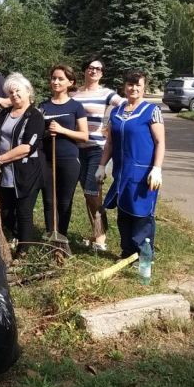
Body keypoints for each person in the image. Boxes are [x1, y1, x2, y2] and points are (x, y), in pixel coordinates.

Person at [97, 69, 165, 259]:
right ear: (124, 87)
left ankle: (144, 257)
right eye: (130, 84)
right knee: (124, 212)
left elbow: (160, 142)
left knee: (141, 214)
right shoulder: (116, 111)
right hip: (122, 173)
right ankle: (127, 252)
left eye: (138, 85)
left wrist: (157, 169)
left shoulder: (152, 111)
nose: (133, 88)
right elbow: (110, 142)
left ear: (144, 88)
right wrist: (102, 166)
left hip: (144, 174)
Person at [0, 73, 45, 253]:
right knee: (6, 211)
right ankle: (13, 237)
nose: (14, 95)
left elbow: (27, 147)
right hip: (3, 170)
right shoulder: (5, 113)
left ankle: (23, 251)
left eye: (18, 91)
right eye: (11, 92)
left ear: (28, 92)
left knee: (24, 212)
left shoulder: (35, 116)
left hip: (25, 171)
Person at [71, 56, 123, 250]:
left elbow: (125, 106)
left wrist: (110, 125)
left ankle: (101, 237)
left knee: (93, 192)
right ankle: (96, 233)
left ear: (102, 73)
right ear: (84, 70)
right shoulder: (74, 94)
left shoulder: (106, 93)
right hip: (76, 148)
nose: (93, 71)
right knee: (86, 193)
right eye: (90, 68)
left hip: (97, 149)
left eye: (98, 69)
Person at [39, 64, 89, 237]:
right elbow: (37, 132)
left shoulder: (76, 107)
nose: (56, 82)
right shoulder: (44, 106)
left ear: (70, 82)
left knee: (64, 201)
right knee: (48, 200)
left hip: (68, 160)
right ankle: (50, 234)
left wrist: (61, 130)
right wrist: (46, 131)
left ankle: (62, 237)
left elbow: (84, 136)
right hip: (46, 159)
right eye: (53, 78)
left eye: (60, 79)